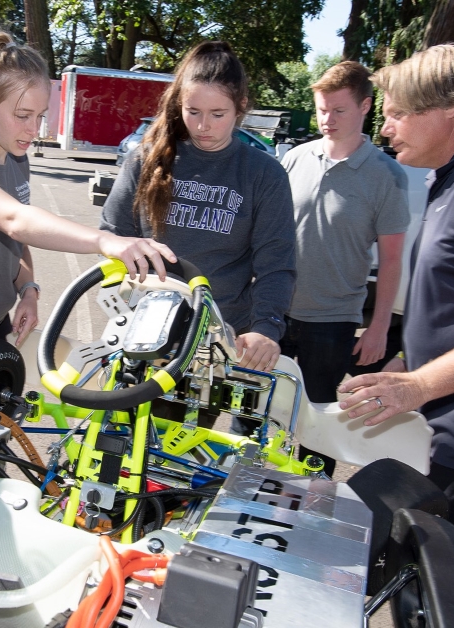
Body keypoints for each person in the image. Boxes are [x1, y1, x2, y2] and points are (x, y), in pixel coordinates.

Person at [338, 45, 454, 592]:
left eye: (398, 113)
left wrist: (421, 384)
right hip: (451, 440)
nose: (384, 128)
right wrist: (408, 362)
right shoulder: (450, 176)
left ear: (453, 110)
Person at [0, 32, 175, 367]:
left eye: (40, 116)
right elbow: (15, 221)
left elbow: (16, 243)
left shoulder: (16, 159)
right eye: (23, 115)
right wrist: (105, 241)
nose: (34, 129)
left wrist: (29, 291)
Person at [99, 41, 296, 431]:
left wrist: (265, 329)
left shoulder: (263, 174)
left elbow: (277, 264)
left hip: (214, 344)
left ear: (241, 107)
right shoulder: (147, 158)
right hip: (144, 336)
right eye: (193, 112)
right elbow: (111, 235)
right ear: (178, 105)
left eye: (218, 114)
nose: (204, 126)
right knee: (117, 450)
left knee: (181, 459)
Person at [280, 61, 410, 476]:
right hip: (275, 315)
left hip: (332, 323)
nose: (326, 119)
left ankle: (310, 511)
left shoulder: (387, 176)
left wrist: (378, 326)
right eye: (321, 109)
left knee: (318, 428)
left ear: (365, 107)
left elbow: (391, 260)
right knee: (259, 415)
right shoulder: (295, 159)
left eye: (338, 110)